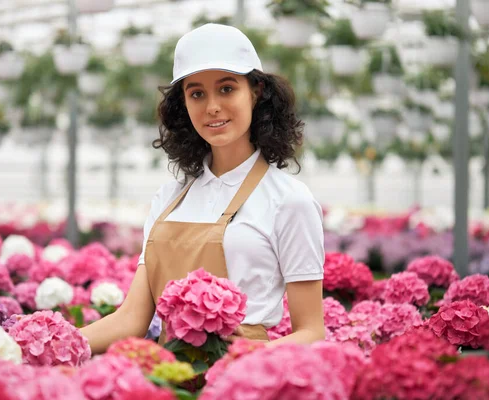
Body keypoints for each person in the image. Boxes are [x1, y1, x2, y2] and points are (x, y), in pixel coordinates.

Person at [80, 23, 325, 353]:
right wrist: (55, 342)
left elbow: (312, 331)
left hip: (242, 378)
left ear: (255, 92)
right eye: (197, 93)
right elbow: (131, 320)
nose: (212, 106)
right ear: (183, 104)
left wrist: (259, 352)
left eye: (226, 89)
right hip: (169, 378)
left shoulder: (289, 200)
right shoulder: (168, 199)